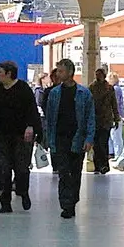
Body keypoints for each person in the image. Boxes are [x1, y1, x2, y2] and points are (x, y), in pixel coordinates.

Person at [43, 59, 95, 219]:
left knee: (75, 173)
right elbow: (49, 117)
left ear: (70, 73)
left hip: (77, 139)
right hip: (60, 138)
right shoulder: (54, 93)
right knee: (64, 173)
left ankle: (73, 200)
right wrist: (48, 138)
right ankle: (66, 204)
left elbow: (90, 117)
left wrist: (89, 138)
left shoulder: (84, 93)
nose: (58, 74)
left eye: (61, 71)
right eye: (57, 71)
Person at [0, 60, 45, 211]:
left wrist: (31, 127)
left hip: (21, 136)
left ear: (9, 74)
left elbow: (31, 110)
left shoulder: (23, 88)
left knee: (21, 168)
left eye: (0, 72)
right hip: (1, 135)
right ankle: (5, 203)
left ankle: (23, 191)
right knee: (4, 169)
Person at [89, 66, 120, 176]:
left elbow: (114, 104)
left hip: (106, 119)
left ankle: (104, 165)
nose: (98, 76)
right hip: (95, 119)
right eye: (97, 74)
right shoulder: (92, 87)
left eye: (100, 74)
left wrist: (117, 118)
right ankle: (98, 165)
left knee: (103, 142)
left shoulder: (109, 88)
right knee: (96, 144)